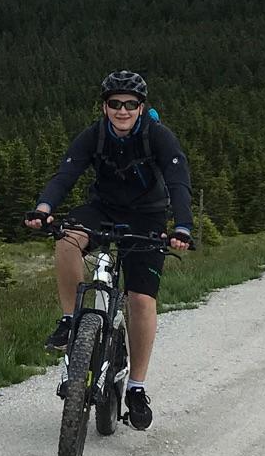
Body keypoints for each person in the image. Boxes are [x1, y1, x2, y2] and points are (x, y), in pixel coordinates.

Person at [24, 70, 193, 430]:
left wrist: (181, 226)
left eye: (130, 104)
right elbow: (65, 175)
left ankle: (136, 387)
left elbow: (178, 180)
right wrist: (43, 209)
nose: (122, 110)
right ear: (105, 107)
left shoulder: (158, 137)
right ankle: (71, 320)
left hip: (147, 215)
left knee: (141, 301)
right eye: (115, 104)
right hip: (102, 208)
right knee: (67, 238)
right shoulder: (94, 136)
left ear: (141, 108)